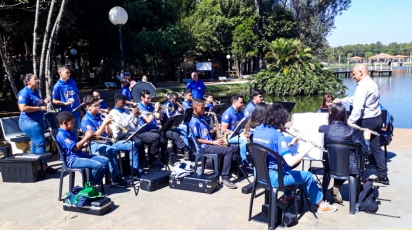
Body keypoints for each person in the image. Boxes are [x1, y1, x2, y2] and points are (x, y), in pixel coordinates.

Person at [253, 103, 338, 213]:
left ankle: (288, 196)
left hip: (258, 174)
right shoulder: (278, 136)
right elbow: (291, 161)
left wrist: (290, 144)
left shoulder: (258, 130)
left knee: (286, 168)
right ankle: (321, 205)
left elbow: (270, 150)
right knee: (307, 176)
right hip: (273, 178)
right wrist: (306, 149)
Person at [333, 64, 389, 185]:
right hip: (377, 119)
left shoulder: (362, 86)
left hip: (366, 121)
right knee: (375, 147)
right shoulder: (372, 83)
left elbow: (358, 107)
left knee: (359, 148)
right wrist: (342, 100)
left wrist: (349, 122)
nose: (352, 76)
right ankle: (384, 176)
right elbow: (357, 98)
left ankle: (359, 175)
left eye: (354, 74)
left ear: (361, 72)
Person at [319, 103, 371, 204]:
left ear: (330, 114)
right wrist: (367, 138)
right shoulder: (352, 131)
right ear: (345, 115)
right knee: (358, 158)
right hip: (349, 168)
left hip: (329, 165)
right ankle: (353, 194)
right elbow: (367, 151)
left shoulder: (323, 129)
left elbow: (325, 128)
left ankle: (327, 192)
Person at [80, 95, 136, 186]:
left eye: (98, 105)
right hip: (96, 145)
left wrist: (107, 125)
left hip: (109, 141)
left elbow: (109, 134)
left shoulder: (99, 116)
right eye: (96, 105)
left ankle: (134, 171)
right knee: (112, 151)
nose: (98, 108)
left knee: (132, 144)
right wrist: (105, 123)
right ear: (88, 107)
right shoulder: (86, 120)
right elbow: (95, 137)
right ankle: (116, 178)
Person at [190, 99, 237, 189]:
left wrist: (214, 130)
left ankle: (229, 169)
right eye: (202, 108)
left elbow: (206, 134)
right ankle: (225, 177)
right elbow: (197, 139)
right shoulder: (194, 122)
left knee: (233, 147)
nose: (204, 109)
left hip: (210, 143)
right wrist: (214, 142)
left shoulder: (201, 118)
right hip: (204, 147)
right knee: (229, 151)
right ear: (195, 108)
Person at [108, 93, 161, 172]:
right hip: (121, 136)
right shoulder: (113, 113)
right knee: (138, 142)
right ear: (116, 102)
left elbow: (135, 124)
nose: (124, 105)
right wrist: (132, 114)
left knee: (156, 137)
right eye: (122, 103)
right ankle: (137, 167)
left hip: (133, 133)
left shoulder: (126, 110)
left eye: (125, 103)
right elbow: (122, 124)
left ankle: (151, 160)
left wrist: (136, 116)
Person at [138, 90, 191, 163]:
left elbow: (159, 117)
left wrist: (159, 110)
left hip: (156, 129)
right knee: (160, 137)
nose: (150, 100)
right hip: (146, 130)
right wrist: (155, 110)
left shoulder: (150, 105)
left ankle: (182, 152)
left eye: (150, 98)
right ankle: (154, 159)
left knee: (173, 134)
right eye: (147, 98)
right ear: (142, 98)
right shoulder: (139, 108)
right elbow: (148, 121)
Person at [56, 111, 109, 185]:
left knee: (105, 161)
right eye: (72, 123)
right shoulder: (62, 135)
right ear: (65, 123)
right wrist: (86, 137)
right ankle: (90, 184)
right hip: (72, 160)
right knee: (98, 165)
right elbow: (75, 147)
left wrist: (88, 141)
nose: (74, 125)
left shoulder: (69, 132)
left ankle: (93, 183)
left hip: (79, 155)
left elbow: (78, 147)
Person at [18, 73, 56, 173]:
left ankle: (33, 166)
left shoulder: (35, 91)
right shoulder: (24, 93)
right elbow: (23, 108)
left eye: (37, 78)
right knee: (40, 143)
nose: (38, 80)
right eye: (35, 79)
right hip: (29, 122)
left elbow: (37, 104)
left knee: (35, 144)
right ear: (28, 82)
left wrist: (44, 102)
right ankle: (43, 167)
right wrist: (40, 108)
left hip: (38, 121)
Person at [221, 94, 250, 168]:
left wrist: (245, 132)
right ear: (234, 102)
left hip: (237, 134)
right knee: (243, 140)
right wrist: (238, 135)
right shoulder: (228, 113)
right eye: (241, 102)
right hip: (227, 136)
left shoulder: (240, 112)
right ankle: (244, 163)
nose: (242, 104)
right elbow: (223, 129)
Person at [52, 66, 81, 133]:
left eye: (69, 72)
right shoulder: (57, 86)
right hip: (66, 114)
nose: (69, 74)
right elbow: (54, 101)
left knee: (76, 132)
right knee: (68, 133)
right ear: (60, 73)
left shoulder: (72, 82)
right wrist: (64, 103)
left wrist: (80, 108)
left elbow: (76, 95)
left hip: (76, 112)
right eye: (67, 72)